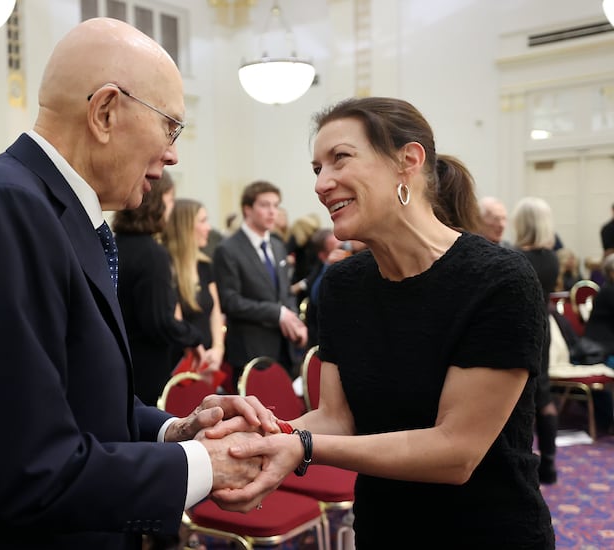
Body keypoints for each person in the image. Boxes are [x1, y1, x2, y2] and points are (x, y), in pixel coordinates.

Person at [0, 19, 277, 550]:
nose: (174, 154)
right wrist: (206, 464)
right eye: (171, 127)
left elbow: (67, 401)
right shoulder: (4, 209)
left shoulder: (42, 209)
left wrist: (173, 430)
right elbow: (30, 470)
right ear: (105, 111)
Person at [216, 97, 554, 549]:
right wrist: (253, 437)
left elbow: (456, 452)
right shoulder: (342, 286)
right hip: (382, 529)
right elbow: (336, 418)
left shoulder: (499, 280)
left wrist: (302, 444)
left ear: (407, 162)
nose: (321, 183)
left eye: (340, 159)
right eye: (316, 167)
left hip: (488, 532)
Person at [113, 172, 204, 406]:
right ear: (157, 202)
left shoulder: (114, 243)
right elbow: (159, 321)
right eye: (171, 199)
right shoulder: (152, 254)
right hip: (144, 368)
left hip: (117, 363)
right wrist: (193, 338)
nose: (171, 208)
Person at [213, 180, 307, 381]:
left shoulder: (277, 245)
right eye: (265, 205)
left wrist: (295, 323)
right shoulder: (228, 249)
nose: (272, 212)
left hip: (285, 348)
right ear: (247, 209)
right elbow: (230, 301)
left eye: (276, 205)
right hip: (251, 350)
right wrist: (277, 313)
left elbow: (286, 293)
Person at [511, 196, 560, 484]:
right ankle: (550, 465)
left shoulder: (517, 257)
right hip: (545, 326)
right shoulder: (552, 258)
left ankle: (524, 463)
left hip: (521, 328)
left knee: (520, 398)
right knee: (544, 394)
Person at [163, 198, 226, 377]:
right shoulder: (166, 266)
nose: (208, 228)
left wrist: (218, 349)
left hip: (208, 360)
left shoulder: (205, 265)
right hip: (181, 362)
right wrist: (197, 352)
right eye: (203, 221)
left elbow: (215, 311)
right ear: (185, 226)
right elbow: (176, 319)